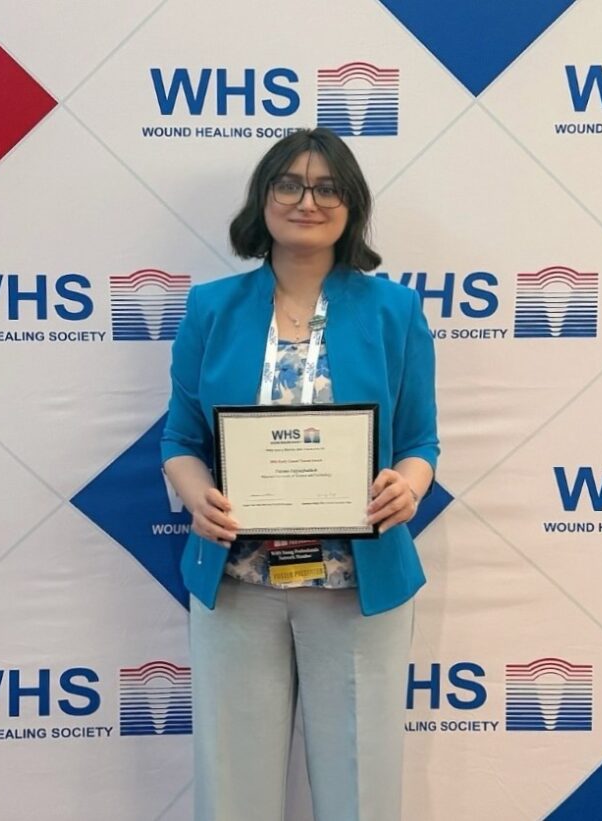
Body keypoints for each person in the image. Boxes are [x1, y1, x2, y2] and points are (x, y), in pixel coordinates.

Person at [161, 127, 439, 821]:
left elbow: (419, 441)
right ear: (263, 198)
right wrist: (198, 499)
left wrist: (407, 486)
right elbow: (181, 439)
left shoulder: (394, 310)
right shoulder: (211, 308)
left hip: (357, 583)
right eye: (289, 184)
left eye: (326, 187)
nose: (306, 201)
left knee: (361, 785)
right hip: (238, 580)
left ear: (352, 205)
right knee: (234, 786)